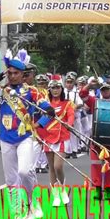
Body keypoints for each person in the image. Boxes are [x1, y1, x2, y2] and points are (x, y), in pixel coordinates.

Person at [0, 49, 54, 219]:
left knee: (25, 172)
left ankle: (33, 203)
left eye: (15, 73)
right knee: (11, 179)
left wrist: (38, 124)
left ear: (22, 74)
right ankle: (18, 212)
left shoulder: (32, 92)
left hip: (25, 137)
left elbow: (50, 111)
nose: (12, 76)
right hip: (5, 139)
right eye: (9, 73)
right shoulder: (0, 91)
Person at [79, 82, 110, 200]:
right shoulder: (95, 102)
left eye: (107, 89)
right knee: (96, 166)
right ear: (100, 91)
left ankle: (108, 191)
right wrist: (89, 85)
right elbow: (82, 94)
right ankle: (97, 189)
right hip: (97, 139)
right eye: (103, 90)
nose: (105, 91)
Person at [35, 78, 74, 206]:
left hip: (62, 136)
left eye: (58, 88)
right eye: (53, 88)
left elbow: (71, 116)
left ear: (61, 89)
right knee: (51, 167)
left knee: (58, 166)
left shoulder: (67, 103)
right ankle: (55, 195)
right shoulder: (45, 104)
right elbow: (41, 120)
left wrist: (69, 124)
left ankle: (62, 188)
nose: (55, 90)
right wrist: (38, 133)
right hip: (48, 136)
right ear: (49, 90)